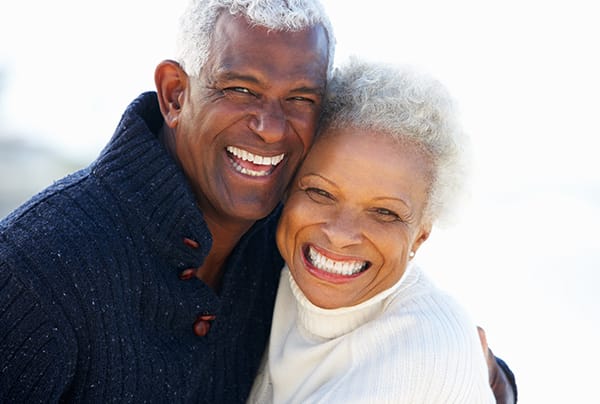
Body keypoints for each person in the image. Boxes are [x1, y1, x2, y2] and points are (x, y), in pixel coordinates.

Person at [0, 0, 515, 402]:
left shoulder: (290, 239)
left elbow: (401, 323)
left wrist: (486, 378)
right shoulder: (35, 269)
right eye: (241, 89)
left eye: (300, 99)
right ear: (176, 93)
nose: (270, 128)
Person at [248, 58, 512, 403]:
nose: (341, 234)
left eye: (384, 213)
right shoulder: (260, 270)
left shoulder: (427, 351)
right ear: (287, 189)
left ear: (421, 234)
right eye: (320, 192)